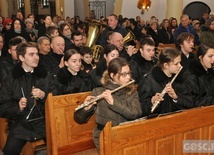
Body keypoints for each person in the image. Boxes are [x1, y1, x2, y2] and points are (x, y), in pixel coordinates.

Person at [74, 57, 142, 148]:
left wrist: (114, 102)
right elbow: (79, 119)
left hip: (126, 135)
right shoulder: (98, 92)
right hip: (105, 137)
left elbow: (136, 113)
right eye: (124, 74)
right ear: (112, 75)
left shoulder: (131, 92)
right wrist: (86, 109)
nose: (128, 77)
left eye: (129, 73)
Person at [0, 42, 49, 155]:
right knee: (9, 152)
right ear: (21, 57)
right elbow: (2, 107)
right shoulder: (10, 78)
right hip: (20, 123)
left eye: (37, 54)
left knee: (60, 145)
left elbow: (56, 99)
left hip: (43, 122)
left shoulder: (45, 75)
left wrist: (43, 95)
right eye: (31, 54)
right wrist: (18, 107)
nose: (36, 57)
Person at [137, 48, 192, 116]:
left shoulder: (179, 78)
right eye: (176, 64)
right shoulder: (148, 80)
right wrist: (152, 102)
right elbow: (142, 108)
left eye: (180, 62)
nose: (180, 66)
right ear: (166, 65)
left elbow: (190, 102)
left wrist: (176, 97)